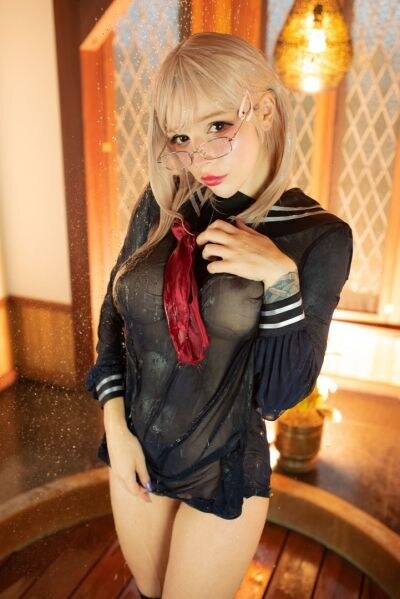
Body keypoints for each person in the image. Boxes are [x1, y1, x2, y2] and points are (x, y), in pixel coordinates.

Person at [85, 31, 353, 599]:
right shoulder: (162, 204)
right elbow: (114, 319)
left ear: (265, 110)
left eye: (217, 127)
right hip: (137, 449)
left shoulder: (318, 237)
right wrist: (116, 429)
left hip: (223, 468)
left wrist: (280, 280)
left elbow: (278, 397)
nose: (199, 156)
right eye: (181, 137)